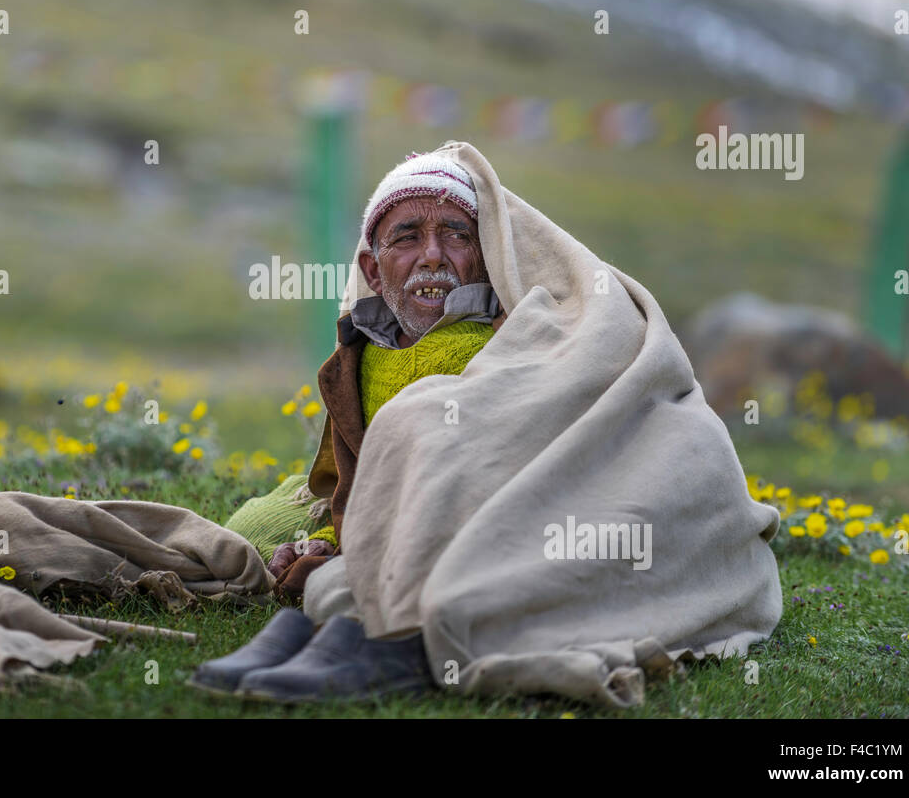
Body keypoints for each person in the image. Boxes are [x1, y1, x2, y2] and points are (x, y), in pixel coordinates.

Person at [194, 141, 782, 706]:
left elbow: (531, 440)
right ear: (373, 271)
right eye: (408, 237)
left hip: (538, 507)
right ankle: (359, 620)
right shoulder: (358, 361)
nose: (433, 255)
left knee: (414, 432)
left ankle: (406, 633)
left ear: (488, 254)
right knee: (256, 533)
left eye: (456, 234)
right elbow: (358, 478)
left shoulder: (526, 333)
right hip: (421, 508)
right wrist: (323, 536)